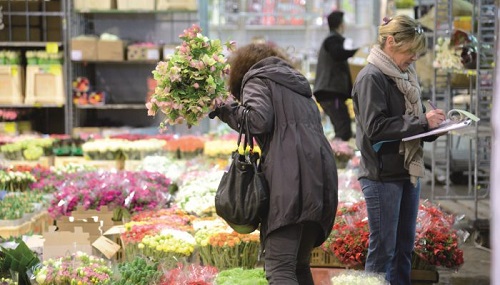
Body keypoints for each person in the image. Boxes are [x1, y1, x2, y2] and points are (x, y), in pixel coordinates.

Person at [210, 43, 338, 285]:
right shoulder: (296, 86)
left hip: (290, 179)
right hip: (318, 178)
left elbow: (257, 120)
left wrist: (225, 110)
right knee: (298, 267)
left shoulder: (256, 79)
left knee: (279, 268)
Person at [351, 15, 446, 285]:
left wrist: (433, 126)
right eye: (410, 50)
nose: (414, 57)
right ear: (391, 42)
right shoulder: (372, 77)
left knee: (404, 250)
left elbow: (408, 127)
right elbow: (376, 128)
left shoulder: (403, 76)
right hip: (382, 176)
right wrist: (420, 122)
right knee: (383, 253)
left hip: (405, 172)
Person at [314, 10, 358, 141]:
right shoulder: (332, 40)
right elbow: (338, 53)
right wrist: (358, 51)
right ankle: (338, 158)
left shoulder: (332, 40)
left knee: (343, 128)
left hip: (330, 93)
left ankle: (338, 156)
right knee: (343, 130)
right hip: (331, 93)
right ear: (340, 24)